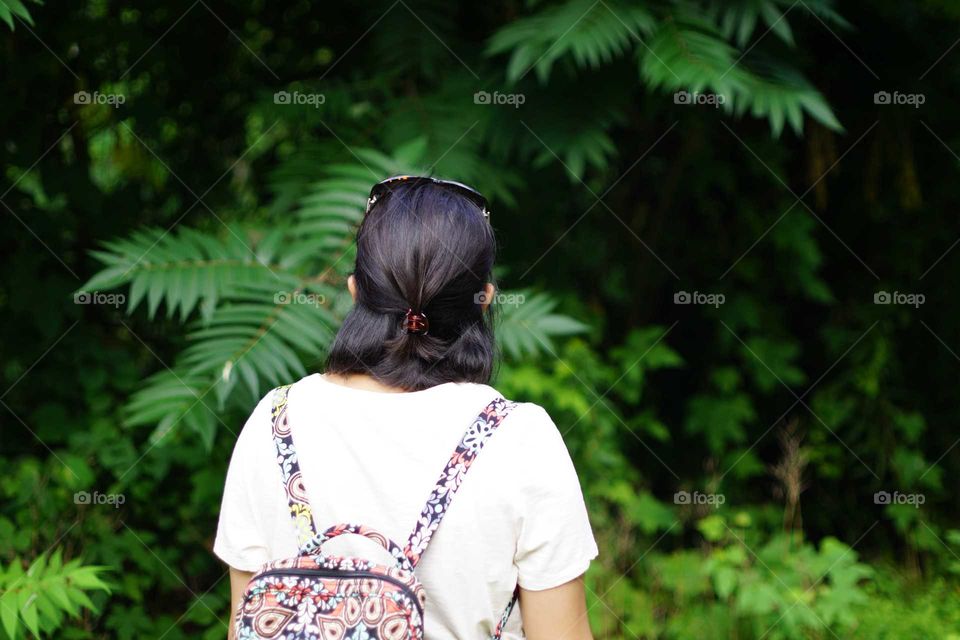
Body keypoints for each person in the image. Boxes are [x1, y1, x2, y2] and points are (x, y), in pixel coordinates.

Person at [214, 176, 598, 639]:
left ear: (356, 291)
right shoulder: (520, 439)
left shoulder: (274, 422)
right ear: (484, 301)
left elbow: (244, 624)